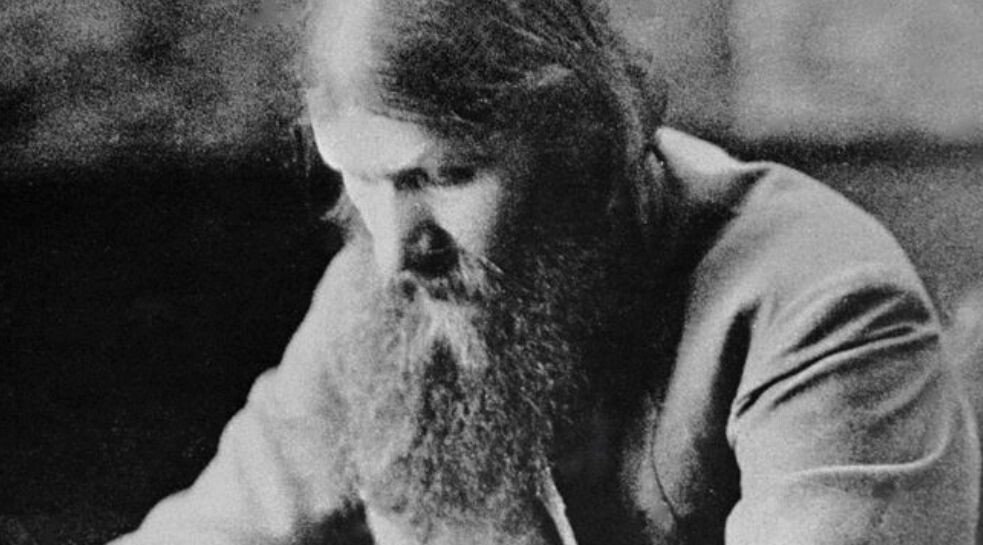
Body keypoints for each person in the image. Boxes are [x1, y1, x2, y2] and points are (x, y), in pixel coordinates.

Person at [109, 0, 980, 543]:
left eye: (443, 175)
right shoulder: (386, 301)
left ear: (581, 143)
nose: (396, 249)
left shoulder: (822, 304)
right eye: (359, 179)